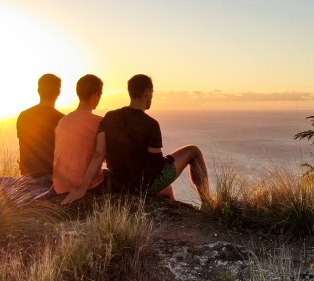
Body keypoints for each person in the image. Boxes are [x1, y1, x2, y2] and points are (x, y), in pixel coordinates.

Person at [62, 74, 211, 205]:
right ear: (147, 93)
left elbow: (99, 154)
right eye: (151, 93)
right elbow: (156, 167)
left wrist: (82, 189)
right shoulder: (150, 124)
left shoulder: (109, 117)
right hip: (144, 185)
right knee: (193, 151)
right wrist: (169, 160)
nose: (151, 97)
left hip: (119, 183)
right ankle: (207, 202)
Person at [53, 74, 105, 197]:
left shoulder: (62, 121)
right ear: (95, 95)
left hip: (61, 187)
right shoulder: (100, 122)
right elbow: (99, 155)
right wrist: (82, 189)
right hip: (88, 186)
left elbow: (59, 156)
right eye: (100, 95)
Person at [16, 73, 64, 178]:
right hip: (54, 177)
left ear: (38, 91)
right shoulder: (63, 120)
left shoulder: (24, 116)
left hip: (28, 175)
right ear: (58, 93)